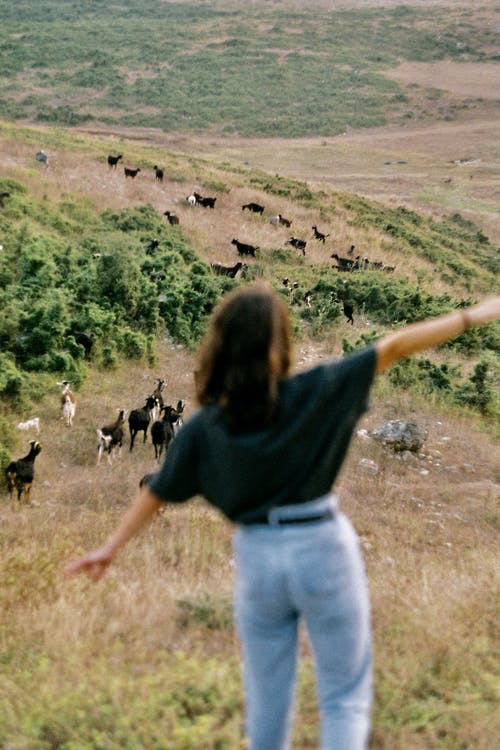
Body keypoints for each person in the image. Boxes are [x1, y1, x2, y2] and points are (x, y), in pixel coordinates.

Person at [65, 284, 500, 750]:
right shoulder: (317, 390)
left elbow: (157, 492)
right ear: (282, 343)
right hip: (322, 545)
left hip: (257, 557)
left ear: (218, 346)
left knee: (268, 706)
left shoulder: (205, 427)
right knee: (344, 695)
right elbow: (393, 345)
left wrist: (110, 548)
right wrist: (475, 315)